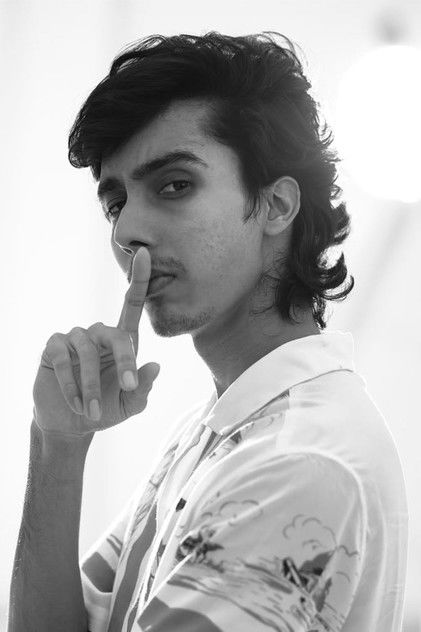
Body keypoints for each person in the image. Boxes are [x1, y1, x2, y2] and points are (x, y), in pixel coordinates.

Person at [8, 31, 408, 632]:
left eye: (174, 185)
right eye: (116, 203)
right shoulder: (212, 431)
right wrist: (56, 443)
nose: (127, 232)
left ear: (276, 206)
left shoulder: (297, 461)